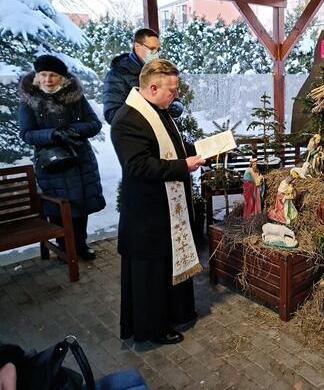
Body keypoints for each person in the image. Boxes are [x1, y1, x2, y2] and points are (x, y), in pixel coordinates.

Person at [111, 59, 205, 345]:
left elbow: (173, 148)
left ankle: (176, 313)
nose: (176, 96)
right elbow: (139, 166)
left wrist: (201, 149)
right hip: (146, 214)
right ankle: (152, 329)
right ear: (152, 88)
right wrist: (183, 167)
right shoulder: (128, 119)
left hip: (165, 210)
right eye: (172, 90)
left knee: (169, 264)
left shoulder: (158, 110)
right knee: (151, 274)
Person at [18, 55, 105, 261]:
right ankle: (64, 246)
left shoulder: (75, 97)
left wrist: (71, 130)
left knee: (80, 204)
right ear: (37, 76)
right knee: (59, 205)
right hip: (53, 161)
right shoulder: (30, 100)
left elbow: (94, 124)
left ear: (62, 78)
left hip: (79, 159)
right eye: (43, 75)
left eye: (53, 75)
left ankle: (80, 244)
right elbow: (26, 134)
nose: (48, 79)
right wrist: (54, 134)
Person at [104, 28, 173, 125]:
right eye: (152, 49)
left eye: (158, 50)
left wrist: (175, 104)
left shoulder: (158, 71)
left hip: (159, 132)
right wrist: (145, 113)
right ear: (137, 46)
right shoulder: (117, 74)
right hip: (135, 136)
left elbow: (170, 98)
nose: (156, 54)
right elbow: (112, 115)